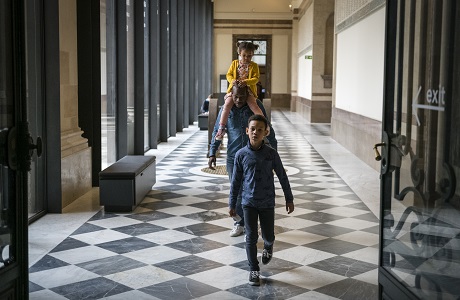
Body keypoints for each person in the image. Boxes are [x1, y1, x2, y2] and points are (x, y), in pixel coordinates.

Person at [229, 114, 294, 286]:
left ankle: (268, 245)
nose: (255, 132)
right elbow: (235, 181)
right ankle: (253, 270)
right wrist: (231, 204)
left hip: (266, 202)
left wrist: (289, 198)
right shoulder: (241, 155)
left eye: (259, 130)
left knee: (268, 235)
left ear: (266, 132)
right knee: (250, 237)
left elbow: (282, 176)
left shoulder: (271, 154)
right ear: (247, 131)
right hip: (248, 202)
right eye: (252, 129)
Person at [208, 85, 277, 237]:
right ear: (230, 95)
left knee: (253, 190)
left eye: (242, 97)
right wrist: (212, 151)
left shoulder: (255, 107)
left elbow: (267, 129)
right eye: (236, 97)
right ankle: (240, 223)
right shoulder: (226, 109)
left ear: (248, 95)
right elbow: (217, 131)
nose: (239, 100)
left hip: (254, 157)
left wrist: (274, 154)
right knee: (237, 191)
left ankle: (252, 225)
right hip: (234, 158)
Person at [215, 41, 264, 140]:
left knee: (254, 105)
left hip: (248, 90)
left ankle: (264, 124)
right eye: (244, 55)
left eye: (249, 56)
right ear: (239, 53)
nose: (246, 58)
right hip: (234, 90)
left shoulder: (254, 66)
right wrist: (232, 81)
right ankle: (221, 128)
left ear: (252, 55)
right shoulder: (234, 63)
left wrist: (246, 82)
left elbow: (256, 78)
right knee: (227, 104)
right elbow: (228, 75)